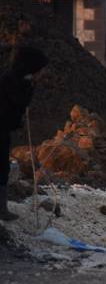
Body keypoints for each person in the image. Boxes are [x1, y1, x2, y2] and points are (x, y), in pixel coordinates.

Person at [0, 46, 48, 221]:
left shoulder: (17, 78)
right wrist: (30, 85)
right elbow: (20, 102)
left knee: (3, 167)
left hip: (4, 129)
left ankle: (2, 208)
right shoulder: (12, 80)